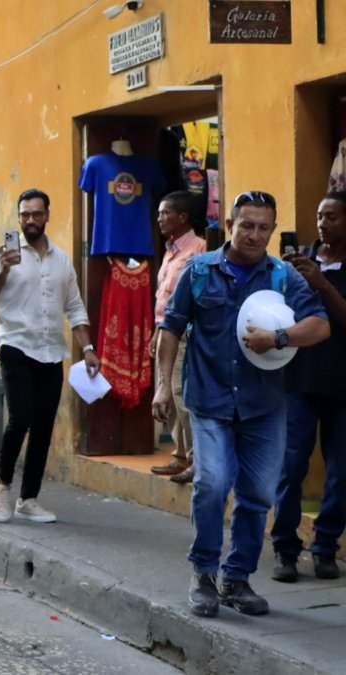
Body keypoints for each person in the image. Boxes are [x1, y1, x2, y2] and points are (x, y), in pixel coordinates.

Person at [153, 190, 329, 618]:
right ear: (230, 226)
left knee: (258, 494)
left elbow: (320, 325)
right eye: (246, 225)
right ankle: (203, 573)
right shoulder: (199, 271)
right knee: (212, 484)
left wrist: (279, 338)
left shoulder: (284, 277)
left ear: (272, 228)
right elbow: (171, 329)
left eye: (263, 227)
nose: (254, 235)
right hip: (210, 401)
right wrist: (162, 387)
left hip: (264, 406)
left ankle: (237, 578)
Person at [0, 189, 100, 525]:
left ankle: (29, 498)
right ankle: (1, 483)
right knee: (21, 417)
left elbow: (74, 306)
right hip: (15, 345)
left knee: (44, 425)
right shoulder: (2, 254)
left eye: (36, 214)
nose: (30, 220)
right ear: (19, 218)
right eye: (24, 215)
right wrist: (3, 270)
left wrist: (87, 349)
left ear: (47, 215)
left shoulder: (61, 260)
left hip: (51, 351)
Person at [270, 191, 346, 583]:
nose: (322, 223)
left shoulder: (324, 272)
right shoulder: (297, 260)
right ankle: (285, 549)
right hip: (299, 381)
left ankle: (325, 548)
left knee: (340, 472)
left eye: (331, 217)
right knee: (291, 466)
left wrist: (324, 285)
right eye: (320, 216)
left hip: (342, 386)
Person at [149, 191, 207, 485]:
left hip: (182, 333)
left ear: (182, 217)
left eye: (165, 213)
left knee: (180, 393)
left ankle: (199, 459)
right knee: (165, 396)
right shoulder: (171, 250)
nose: (159, 218)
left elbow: (189, 298)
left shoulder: (198, 249)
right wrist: (156, 331)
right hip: (164, 330)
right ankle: (181, 453)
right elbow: (163, 296)